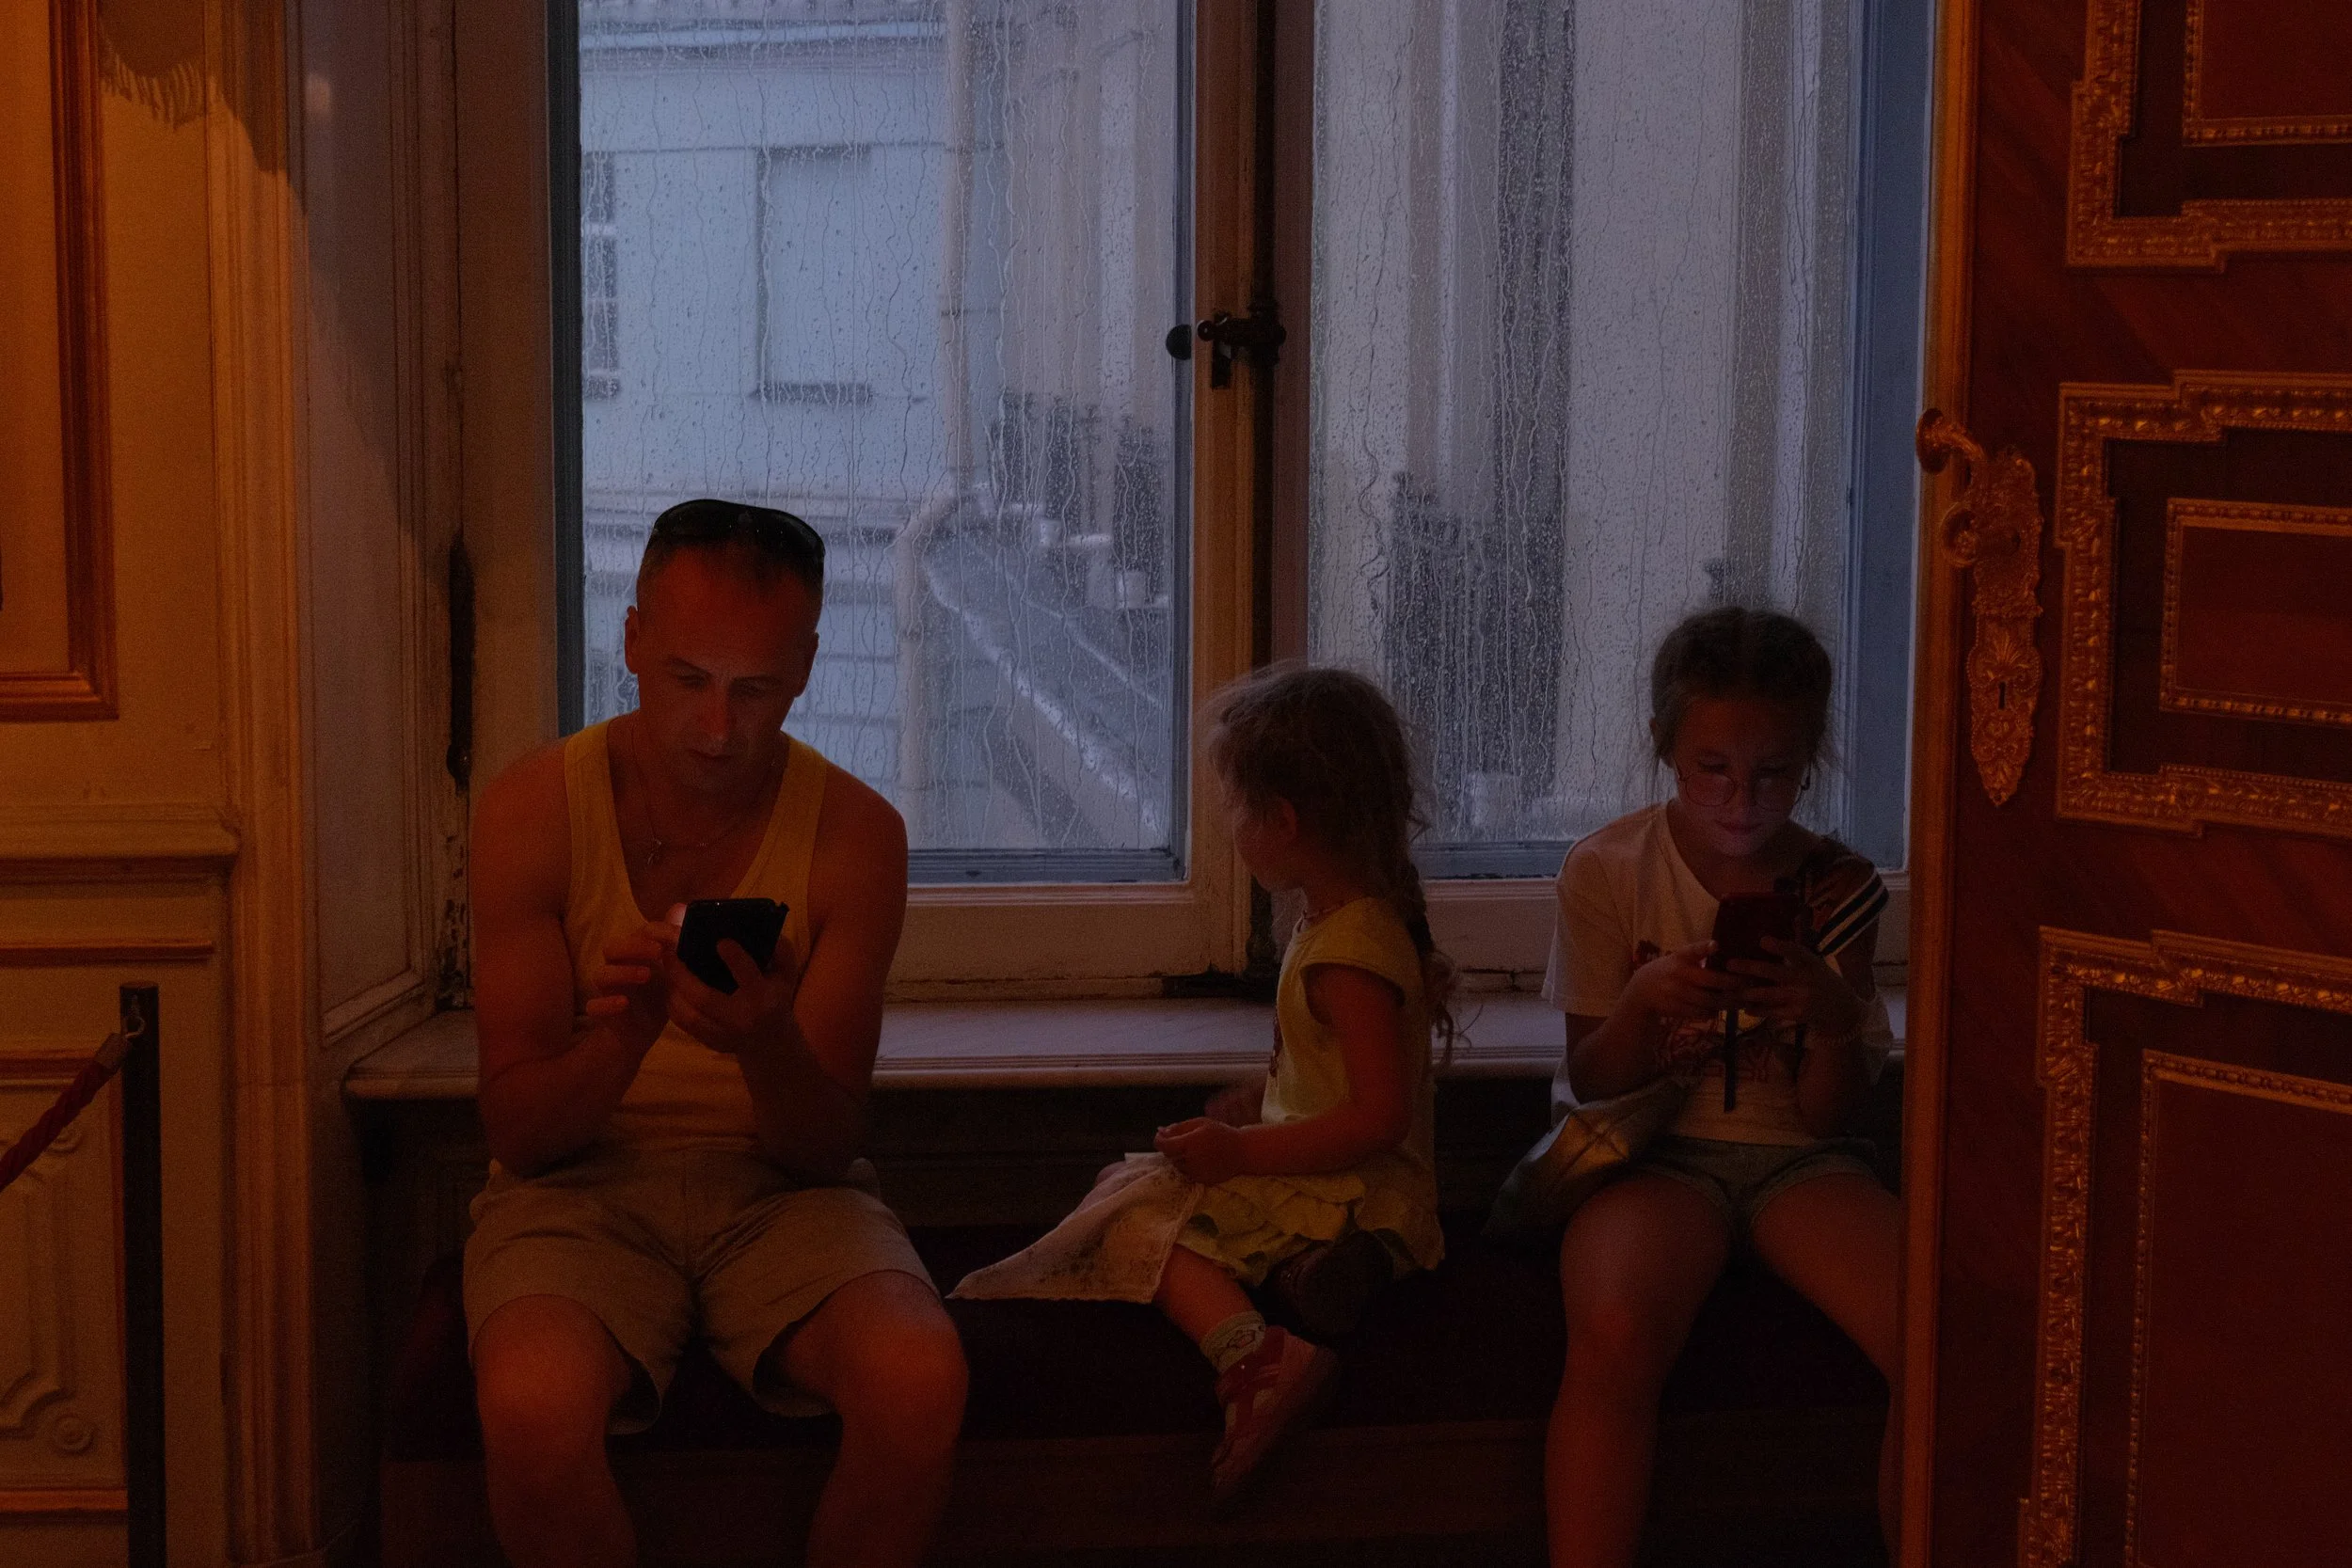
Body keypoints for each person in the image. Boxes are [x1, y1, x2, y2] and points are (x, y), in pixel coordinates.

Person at [463, 499, 966, 1568]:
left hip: (783, 1194)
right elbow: (520, 1133)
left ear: (808, 668)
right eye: (687, 678)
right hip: (578, 1190)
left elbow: (823, 1147)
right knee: (531, 1401)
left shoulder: (857, 835)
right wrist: (621, 1040)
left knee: (920, 1377)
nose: (715, 729)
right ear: (634, 636)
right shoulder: (529, 809)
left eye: (756, 690)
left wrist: (766, 1041)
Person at [953, 666, 1452, 1506]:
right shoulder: (1342, 918)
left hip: (1365, 1185)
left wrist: (1241, 1150)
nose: (1224, 826)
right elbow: (1333, 1079)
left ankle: (1259, 1357)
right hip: (1335, 1171)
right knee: (1134, 1184)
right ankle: (1322, 1274)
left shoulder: (1351, 952)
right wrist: (1255, 1103)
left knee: (1144, 1222)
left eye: (1232, 807)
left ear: (1283, 820)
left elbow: (1378, 1115)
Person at [1541, 606, 1899, 1567]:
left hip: (1800, 1159)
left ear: (1808, 760)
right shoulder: (1608, 869)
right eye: (1713, 767)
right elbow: (1590, 1079)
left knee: (1933, 1334)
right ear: (1665, 748)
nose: (1742, 798)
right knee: (1613, 1329)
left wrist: (1826, 1011)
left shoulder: (1839, 888)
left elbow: (1834, 1115)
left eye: (1772, 771)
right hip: (1654, 1155)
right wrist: (1647, 1003)